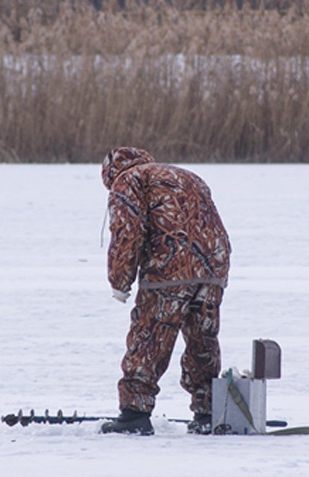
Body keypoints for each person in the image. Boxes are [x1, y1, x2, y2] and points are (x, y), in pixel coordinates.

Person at [99, 147, 231, 436]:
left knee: (150, 334)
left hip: (170, 265)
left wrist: (119, 281)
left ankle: (135, 413)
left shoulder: (128, 180)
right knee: (202, 339)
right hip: (214, 263)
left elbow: (127, 232)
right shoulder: (185, 174)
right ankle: (208, 411)